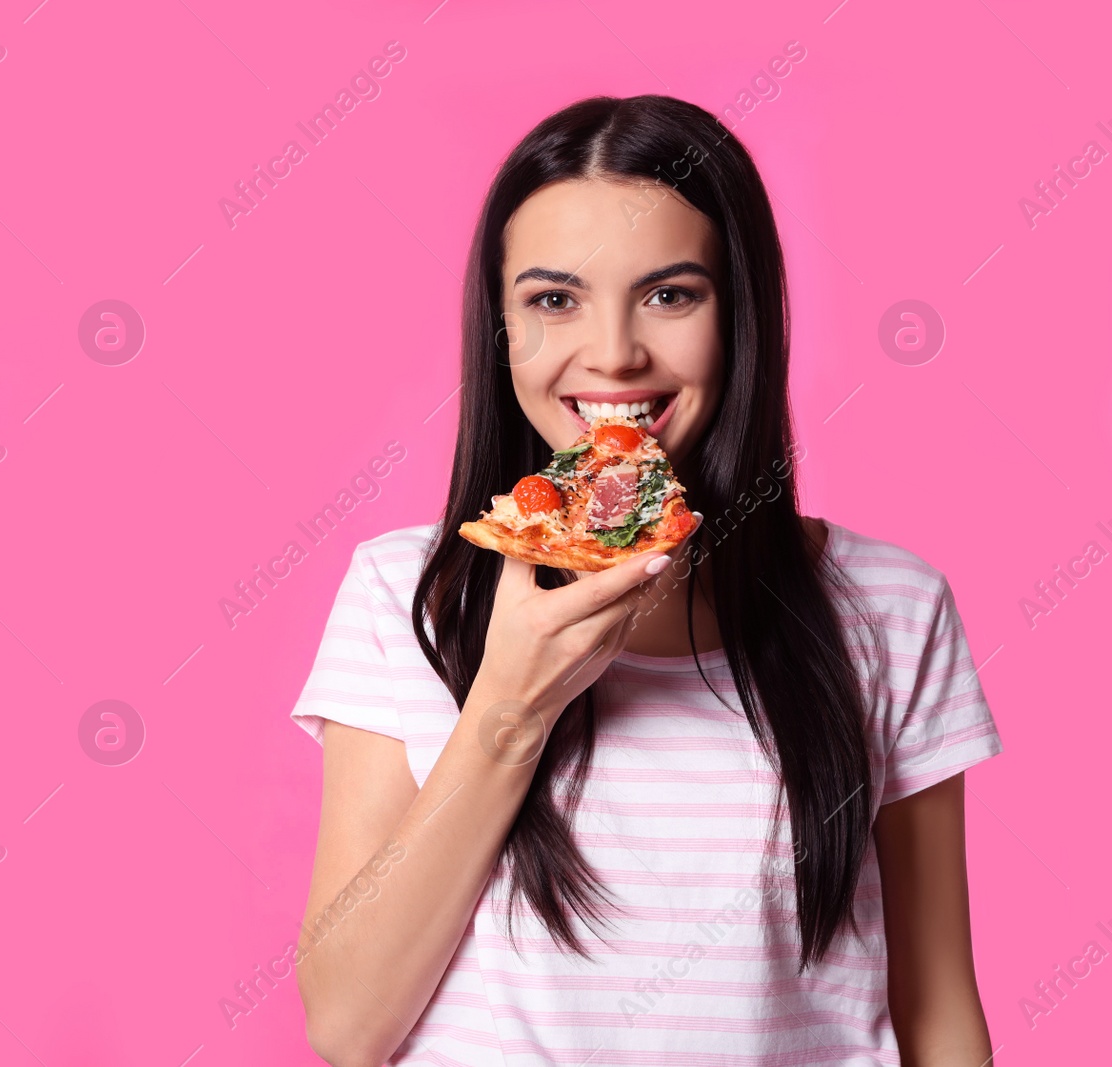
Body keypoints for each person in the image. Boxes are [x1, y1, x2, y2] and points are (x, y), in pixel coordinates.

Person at [288, 95, 1003, 1066]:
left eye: (670, 294)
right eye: (553, 300)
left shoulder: (891, 605)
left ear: (738, 313)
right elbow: (346, 1023)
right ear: (498, 326)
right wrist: (507, 706)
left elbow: (936, 1011)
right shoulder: (406, 595)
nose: (615, 352)